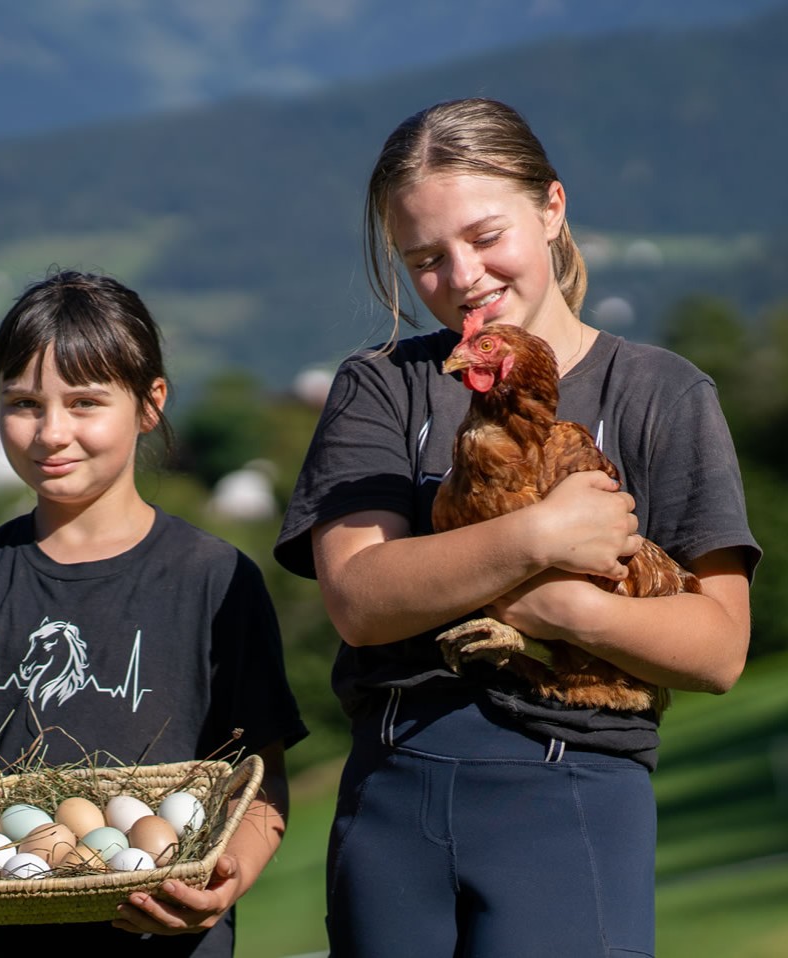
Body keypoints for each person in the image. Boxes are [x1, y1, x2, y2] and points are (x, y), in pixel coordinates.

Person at [274, 97, 759, 957]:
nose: (462, 277)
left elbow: (719, 649)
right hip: (398, 783)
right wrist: (540, 540)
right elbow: (358, 597)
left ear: (553, 209)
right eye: (426, 258)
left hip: (577, 789)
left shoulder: (660, 394)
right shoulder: (384, 386)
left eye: (485, 236)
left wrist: (560, 612)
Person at [0, 270, 307, 956]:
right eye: (22, 403)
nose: (51, 433)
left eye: (84, 402)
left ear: (150, 404)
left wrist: (227, 880)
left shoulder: (214, 580)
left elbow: (261, 782)